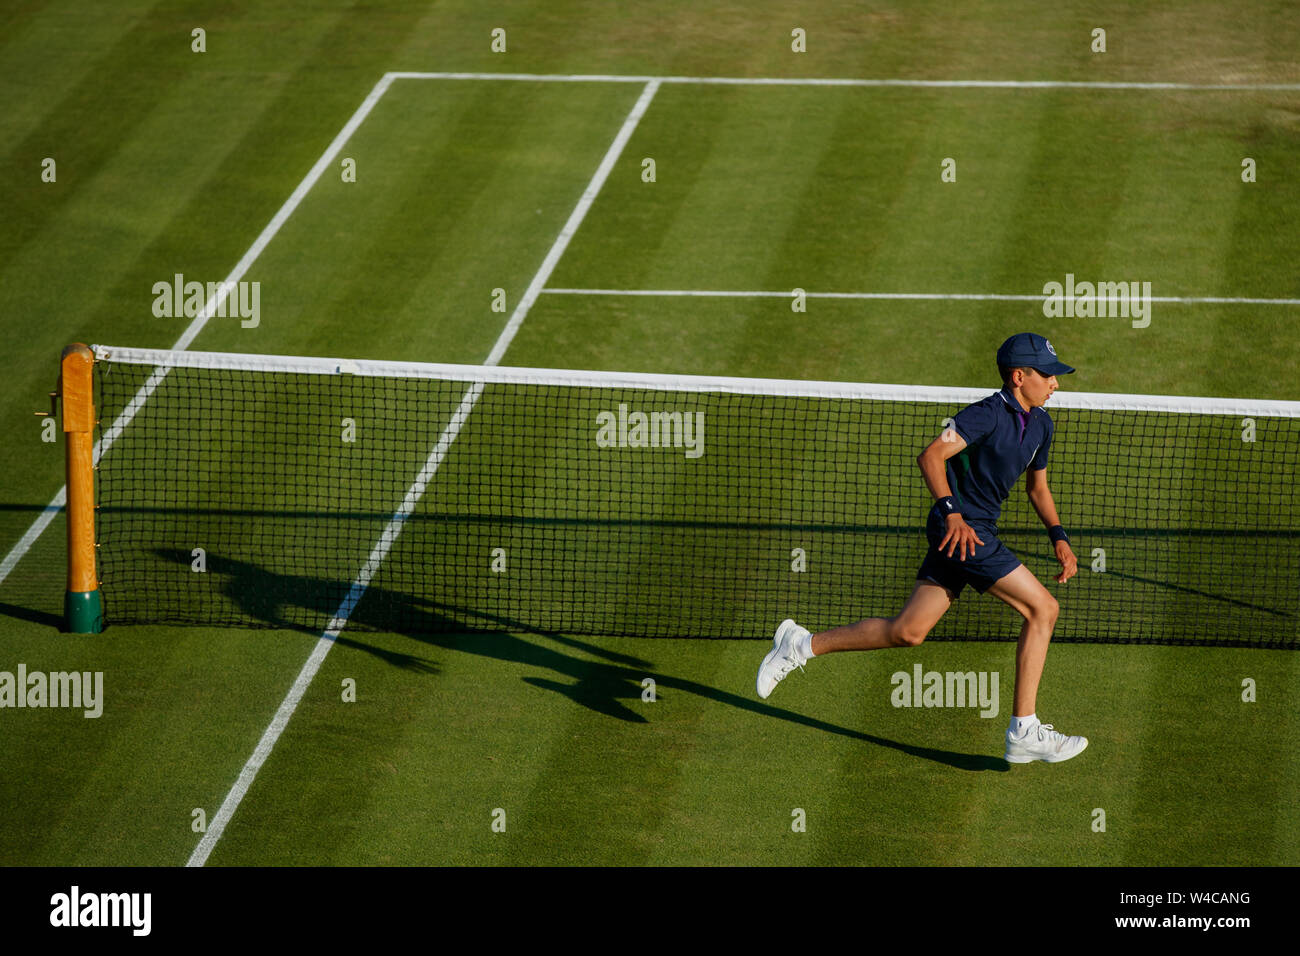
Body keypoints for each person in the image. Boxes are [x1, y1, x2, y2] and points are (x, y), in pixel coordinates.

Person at [756, 332, 1087, 764]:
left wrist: (1059, 537)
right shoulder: (984, 415)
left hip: (976, 529)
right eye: (1047, 375)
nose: (1055, 383)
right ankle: (1024, 729)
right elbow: (931, 456)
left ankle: (800, 644)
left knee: (908, 631)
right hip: (961, 530)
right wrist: (952, 513)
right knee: (1043, 609)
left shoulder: (1042, 424)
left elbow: (1037, 488)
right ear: (1018, 377)